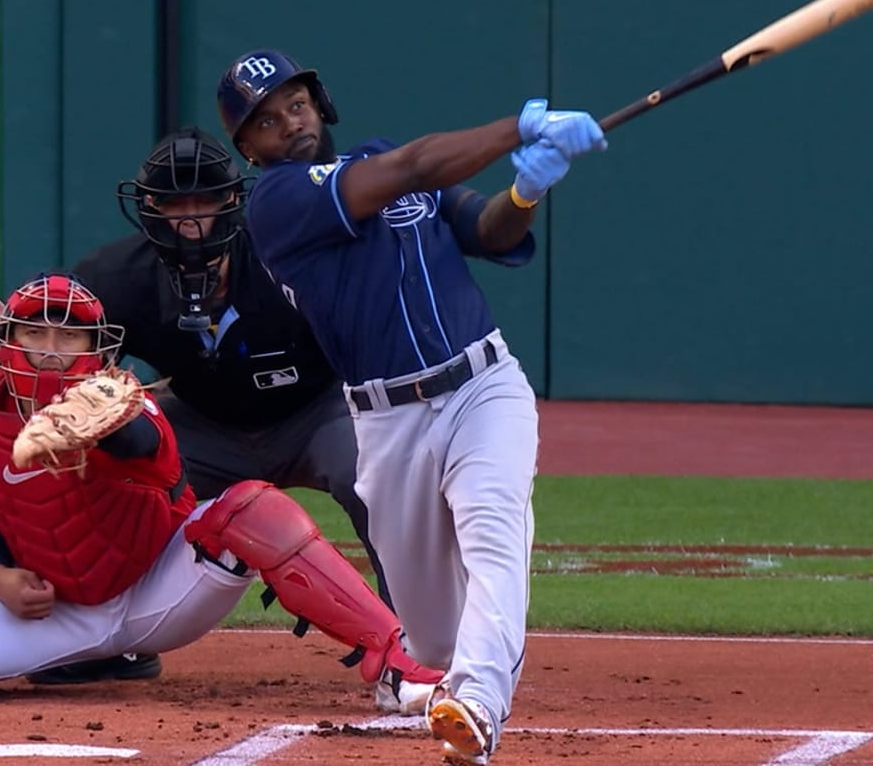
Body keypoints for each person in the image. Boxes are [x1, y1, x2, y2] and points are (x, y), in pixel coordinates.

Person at [216, 49, 606, 765]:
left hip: (482, 387)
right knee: (429, 639)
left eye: (295, 105)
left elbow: (486, 233)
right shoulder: (277, 204)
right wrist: (521, 127)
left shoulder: (380, 160)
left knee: (494, 531)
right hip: (386, 423)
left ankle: (479, 707)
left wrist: (524, 192)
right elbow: (417, 166)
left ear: (318, 103)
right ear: (248, 148)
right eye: (266, 122)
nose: (288, 125)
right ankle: (440, 684)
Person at [0, 127, 397, 697]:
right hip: (202, 423)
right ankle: (101, 642)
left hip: (317, 411)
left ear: (231, 202)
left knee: (378, 478)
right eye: (173, 204)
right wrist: (6, 335)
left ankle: (408, 639)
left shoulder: (286, 254)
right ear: (148, 209)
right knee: (72, 461)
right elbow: (60, 347)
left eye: (204, 202)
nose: (190, 219)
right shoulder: (116, 276)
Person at [0, 273, 439, 707]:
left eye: (70, 338)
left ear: (96, 350)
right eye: (37, 333)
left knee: (251, 507)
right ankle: (86, 661)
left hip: (162, 587)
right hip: (52, 607)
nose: (53, 350)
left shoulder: (124, 402)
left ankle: (393, 657)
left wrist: (87, 416)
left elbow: (135, 445)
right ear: (9, 339)